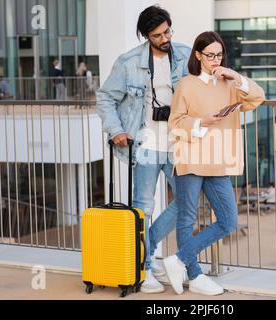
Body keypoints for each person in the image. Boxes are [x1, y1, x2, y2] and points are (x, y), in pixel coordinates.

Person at [96, 5, 191, 294]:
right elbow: (105, 98)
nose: (165, 38)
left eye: (167, 31)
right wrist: (116, 131)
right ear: (146, 35)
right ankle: (145, 267)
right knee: (144, 207)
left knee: (188, 203)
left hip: (178, 144)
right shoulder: (128, 62)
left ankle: (142, 250)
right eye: (158, 34)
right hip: (146, 144)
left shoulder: (186, 55)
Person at [164, 31, 265, 296]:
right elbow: (174, 124)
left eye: (219, 55)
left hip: (218, 161)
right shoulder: (186, 84)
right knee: (186, 219)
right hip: (191, 158)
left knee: (229, 221)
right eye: (210, 55)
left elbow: (258, 98)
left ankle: (178, 260)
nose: (215, 60)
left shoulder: (230, 84)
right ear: (198, 55)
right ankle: (195, 275)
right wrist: (201, 122)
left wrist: (237, 77)